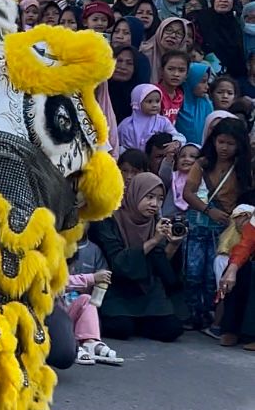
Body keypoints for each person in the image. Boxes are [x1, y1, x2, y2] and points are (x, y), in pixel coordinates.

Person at [87, 173, 185, 342]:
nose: (154, 204)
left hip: (147, 290)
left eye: (160, 199)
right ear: (135, 194)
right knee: (120, 328)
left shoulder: (156, 222)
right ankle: (133, 321)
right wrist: (153, 241)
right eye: (149, 197)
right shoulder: (109, 221)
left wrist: (173, 244)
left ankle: (139, 321)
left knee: (172, 329)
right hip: (117, 287)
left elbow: (161, 268)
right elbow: (118, 263)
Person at [181, 118, 250, 330]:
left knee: (213, 274)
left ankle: (211, 315)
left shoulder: (242, 168)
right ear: (214, 141)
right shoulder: (202, 163)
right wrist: (209, 210)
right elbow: (187, 193)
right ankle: (195, 313)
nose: (224, 148)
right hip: (198, 225)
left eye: (230, 143)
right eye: (221, 141)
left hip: (224, 229)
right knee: (192, 272)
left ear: (239, 145)